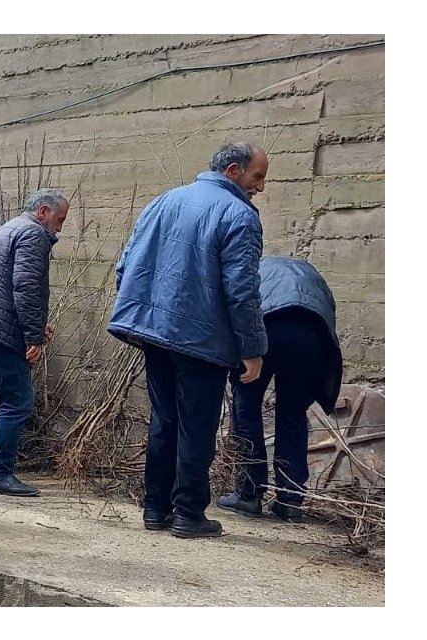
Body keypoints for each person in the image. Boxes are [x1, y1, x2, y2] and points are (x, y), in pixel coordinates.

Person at [108, 142, 270, 539]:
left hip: (154, 332)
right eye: (258, 177)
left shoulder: (164, 200)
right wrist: (252, 348)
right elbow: (242, 291)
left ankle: (155, 508)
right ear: (233, 170)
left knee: (164, 419)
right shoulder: (239, 215)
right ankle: (188, 514)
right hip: (201, 339)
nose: (261, 187)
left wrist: (147, 311)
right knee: (196, 427)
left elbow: (126, 264)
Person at [0, 190, 69, 497]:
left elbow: (4, 284)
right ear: (43, 211)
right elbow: (26, 286)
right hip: (0, 333)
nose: (59, 229)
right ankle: (0, 475)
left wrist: (33, 324)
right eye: (59, 220)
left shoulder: (5, 229)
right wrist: (33, 336)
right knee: (17, 400)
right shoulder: (33, 235)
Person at [216, 256, 343, 522]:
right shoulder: (311, 274)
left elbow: (238, 306)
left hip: (266, 328)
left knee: (247, 409)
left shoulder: (252, 270)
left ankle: (249, 493)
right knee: (293, 414)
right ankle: (290, 499)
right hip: (310, 336)